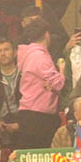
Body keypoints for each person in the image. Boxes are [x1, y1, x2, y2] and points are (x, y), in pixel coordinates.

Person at [16, 18, 64, 149]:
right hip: (38, 116)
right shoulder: (39, 56)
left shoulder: (29, 54)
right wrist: (62, 70)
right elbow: (58, 83)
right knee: (37, 159)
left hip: (31, 113)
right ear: (47, 34)